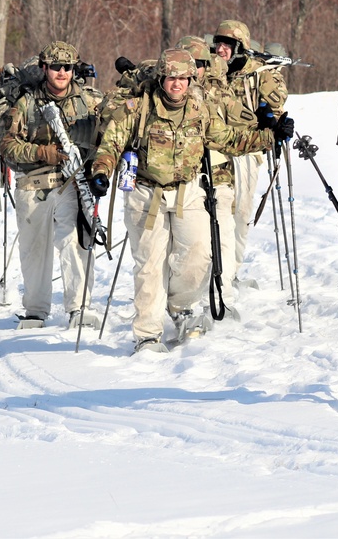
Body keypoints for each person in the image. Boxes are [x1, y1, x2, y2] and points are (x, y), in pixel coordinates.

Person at [89, 48, 294, 354]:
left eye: (183, 78)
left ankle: (182, 308)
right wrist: (101, 171)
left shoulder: (201, 110)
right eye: (171, 78)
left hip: (189, 191)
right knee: (150, 265)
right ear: (162, 78)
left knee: (198, 256)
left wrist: (270, 136)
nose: (177, 85)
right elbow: (111, 143)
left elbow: (228, 139)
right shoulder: (137, 108)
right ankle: (147, 334)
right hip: (147, 195)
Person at [0, 41, 106, 329]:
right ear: (44, 67)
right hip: (34, 182)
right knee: (34, 249)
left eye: (67, 67)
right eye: (56, 67)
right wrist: (41, 152)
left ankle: (79, 307)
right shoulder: (27, 102)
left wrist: (98, 170)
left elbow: (106, 138)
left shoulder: (89, 100)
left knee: (75, 242)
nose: (61, 72)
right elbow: (7, 145)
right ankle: (35, 311)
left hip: (72, 183)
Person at [175, 35, 254, 319]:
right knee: (188, 246)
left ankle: (224, 295)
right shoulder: (167, 90)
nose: (193, 69)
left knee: (223, 233)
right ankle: (182, 301)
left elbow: (240, 121)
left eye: (198, 64)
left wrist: (268, 124)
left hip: (217, 173)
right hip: (181, 179)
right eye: (188, 64)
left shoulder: (216, 90)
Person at [211, 20, 289, 284]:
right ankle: (216, 272)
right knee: (217, 210)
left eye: (228, 45)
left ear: (240, 47)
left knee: (241, 214)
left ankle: (231, 271)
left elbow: (278, 105)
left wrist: (271, 119)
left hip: (246, 152)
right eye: (218, 44)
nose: (221, 50)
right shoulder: (212, 72)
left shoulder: (258, 73)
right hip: (215, 151)